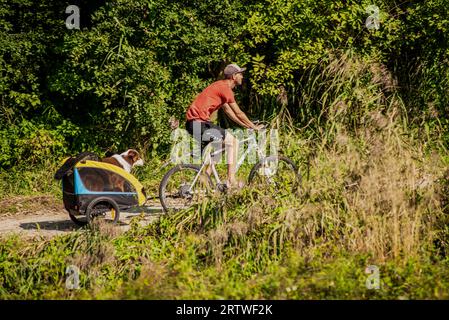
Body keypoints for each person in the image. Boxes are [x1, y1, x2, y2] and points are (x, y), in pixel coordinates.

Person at [185, 63, 263, 189]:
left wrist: (245, 125)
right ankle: (231, 179)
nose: (242, 76)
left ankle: (205, 177)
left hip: (195, 124)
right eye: (240, 74)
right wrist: (253, 127)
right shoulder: (225, 89)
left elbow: (228, 112)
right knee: (233, 141)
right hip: (199, 123)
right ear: (234, 76)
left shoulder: (220, 87)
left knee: (221, 144)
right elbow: (238, 112)